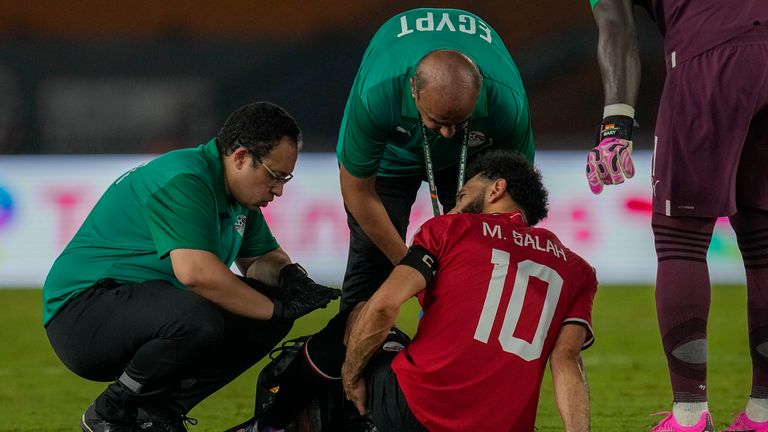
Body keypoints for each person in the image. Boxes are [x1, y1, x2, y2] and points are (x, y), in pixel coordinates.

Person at [43, 102, 341, 432]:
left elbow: (259, 260)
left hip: (137, 306)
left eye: (285, 178)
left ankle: (157, 412)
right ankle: (112, 411)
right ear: (241, 157)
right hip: (81, 315)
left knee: (258, 310)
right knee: (207, 317)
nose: (279, 190)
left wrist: (289, 278)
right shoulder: (184, 179)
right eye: (275, 176)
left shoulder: (235, 195)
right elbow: (196, 274)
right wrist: (276, 310)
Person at [586, 1, 768, 430]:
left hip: (711, 56)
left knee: (680, 239)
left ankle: (688, 415)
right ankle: (762, 414)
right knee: (764, 242)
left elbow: (615, 24)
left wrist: (615, 128)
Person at [341, 150, 597, 431]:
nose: (453, 208)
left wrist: (351, 375)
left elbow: (382, 306)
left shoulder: (450, 228)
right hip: (504, 425)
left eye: (461, 197)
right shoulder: (578, 270)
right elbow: (566, 359)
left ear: (496, 189)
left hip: (416, 412)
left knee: (357, 315)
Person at [337, 7, 535, 318]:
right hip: (392, 156)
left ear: (480, 92)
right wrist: (414, 270)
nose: (447, 132)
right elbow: (357, 188)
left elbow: (518, 192)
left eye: (458, 122)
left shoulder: (506, 102)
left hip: (470, 159)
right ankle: (349, 360)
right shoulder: (378, 93)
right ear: (413, 90)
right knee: (371, 263)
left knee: (480, 252)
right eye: (438, 121)